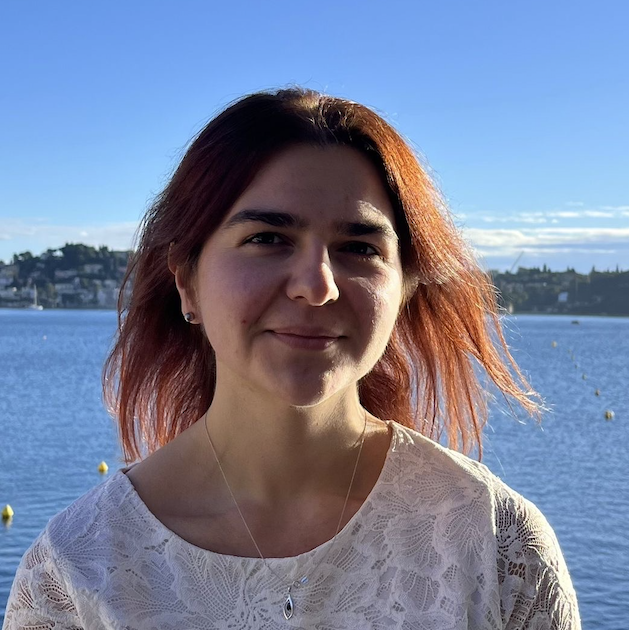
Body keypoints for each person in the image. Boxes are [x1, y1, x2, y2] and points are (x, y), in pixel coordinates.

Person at [3, 87, 580, 629]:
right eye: (267, 238)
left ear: (405, 287)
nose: (316, 285)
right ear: (186, 281)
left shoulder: (494, 544)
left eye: (359, 247)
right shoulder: (79, 573)